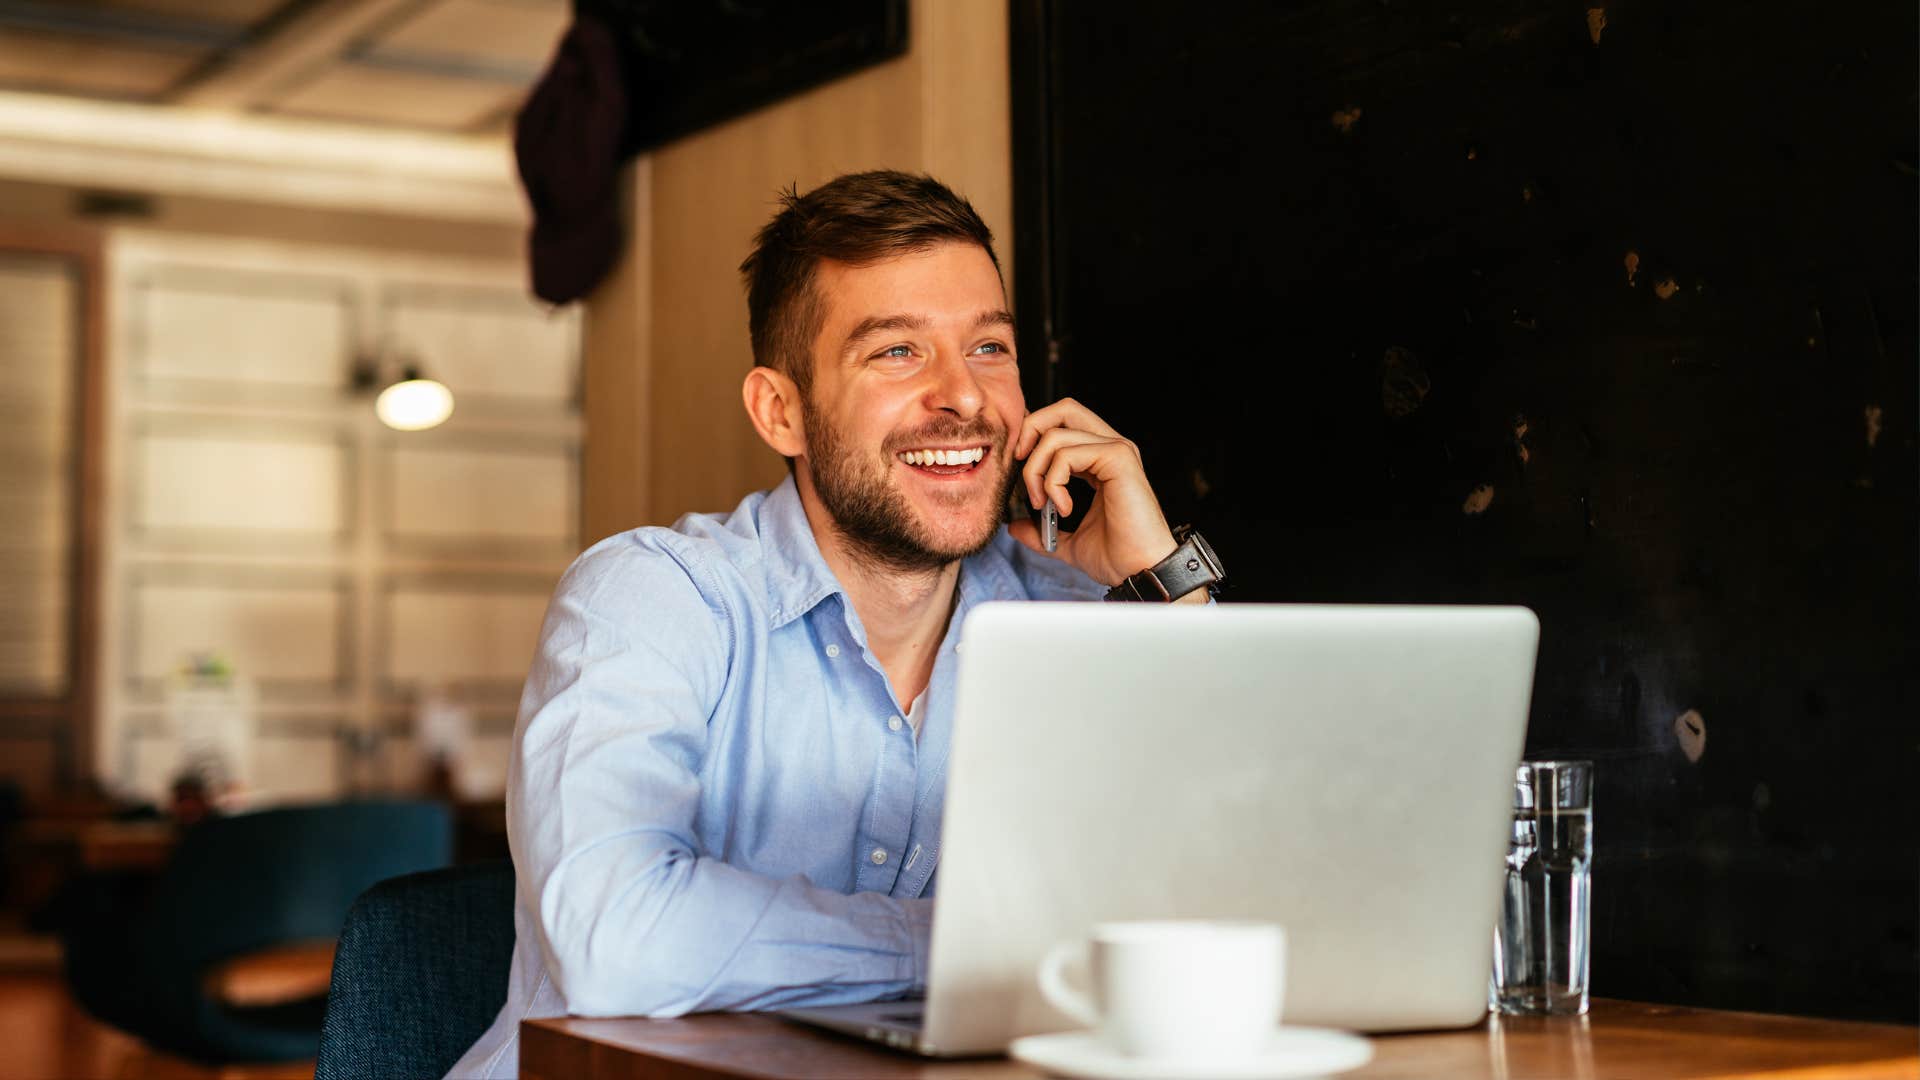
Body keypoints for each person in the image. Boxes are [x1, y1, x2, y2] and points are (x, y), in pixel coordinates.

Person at [449, 170, 1218, 1078]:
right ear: (783, 411)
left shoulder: (1073, 616)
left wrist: (1166, 585)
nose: (965, 398)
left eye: (990, 349)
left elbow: (1241, 900)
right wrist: (974, 941)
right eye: (897, 352)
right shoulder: (649, 598)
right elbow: (617, 939)